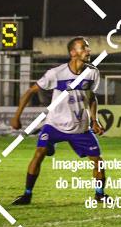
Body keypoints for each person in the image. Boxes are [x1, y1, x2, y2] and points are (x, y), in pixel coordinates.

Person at [10, 37, 106, 205]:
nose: (88, 50)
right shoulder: (56, 73)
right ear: (73, 52)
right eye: (84, 47)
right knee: (39, 153)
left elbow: (91, 97)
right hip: (54, 125)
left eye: (88, 48)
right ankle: (27, 195)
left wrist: (94, 120)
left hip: (80, 128)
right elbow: (30, 91)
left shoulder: (92, 73)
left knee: (98, 161)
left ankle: (99, 195)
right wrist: (16, 116)